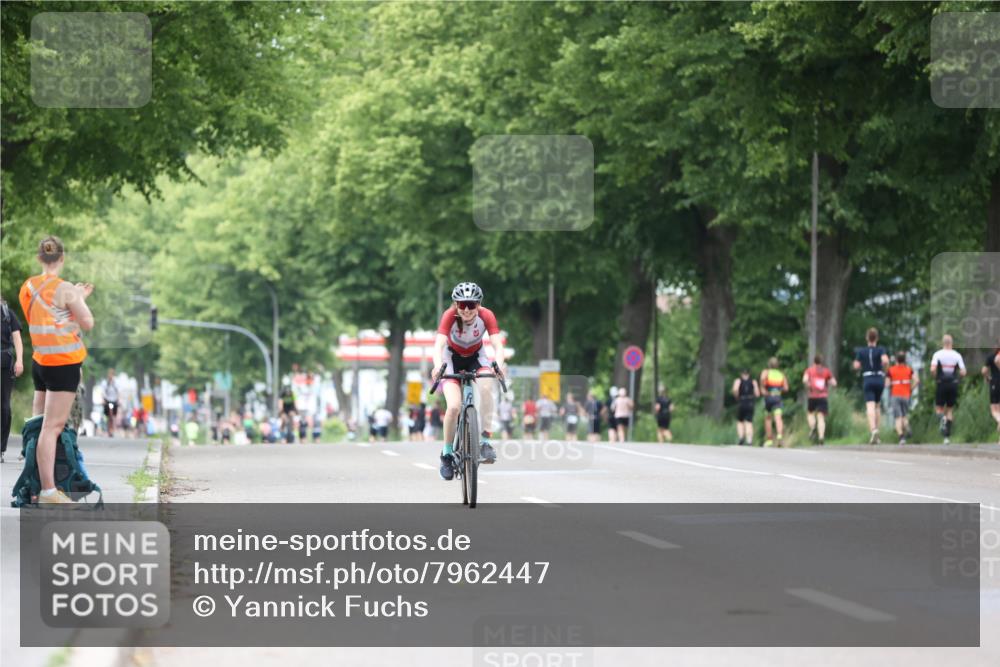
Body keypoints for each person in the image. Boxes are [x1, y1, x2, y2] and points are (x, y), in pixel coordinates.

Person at [18, 236, 94, 503]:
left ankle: (35, 486)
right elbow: (87, 323)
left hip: (40, 361)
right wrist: (79, 297)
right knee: (52, 428)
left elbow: (42, 321)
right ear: (62, 258)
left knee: (38, 426)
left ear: (40, 258)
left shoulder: (27, 286)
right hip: (63, 364)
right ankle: (50, 490)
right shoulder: (66, 290)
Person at [432, 282, 506, 480]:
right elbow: (438, 345)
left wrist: (499, 365)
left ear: (479, 304)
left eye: (471, 305)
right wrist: (437, 366)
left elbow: (497, 345)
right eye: (462, 304)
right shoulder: (449, 316)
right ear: (455, 304)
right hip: (451, 358)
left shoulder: (486, 315)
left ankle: (485, 441)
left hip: (476, 356)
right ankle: (447, 454)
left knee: (487, 385)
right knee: (454, 406)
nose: (466, 309)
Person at [853, 328, 889, 444]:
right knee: (877, 406)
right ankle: (877, 434)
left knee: (870, 406)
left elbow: (856, 365)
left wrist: (858, 366)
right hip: (879, 378)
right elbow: (885, 361)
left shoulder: (862, 351)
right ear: (877, 338)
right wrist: (884, 369)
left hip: (868, 378)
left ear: (867, 338)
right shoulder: (881, 349)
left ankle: (873, 430)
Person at [930, 334, 966, 444]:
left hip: (941, 383)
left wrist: (935, 376)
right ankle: (947, 437)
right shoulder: (957, 355)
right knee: (950, 409)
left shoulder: (938, 354)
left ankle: (942, 418)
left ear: (943, 343)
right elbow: (963, 372)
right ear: (951, 343)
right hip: (953, 384)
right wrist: (958, 377)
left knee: (939, 408)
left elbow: (932, 369)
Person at [1, 298, 25, 463]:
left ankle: (1, 448)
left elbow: (17, 338)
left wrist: (20, 360)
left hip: (4, 363)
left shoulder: (7, 314)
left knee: (3, 407)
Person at [803, 354, 836, 446]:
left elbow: (804, 380)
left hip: (812, 396)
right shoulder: (826, 371)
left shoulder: (809, 370)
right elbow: (834, 383)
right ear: (821, 362)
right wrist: (828, 383)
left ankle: (813, 427)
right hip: (823, 396)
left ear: (814, 361)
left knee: (810, 413)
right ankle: (821, 437)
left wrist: (809, 385)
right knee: (821, 417)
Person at [887, 351, 918, 444]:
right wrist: (911, 389)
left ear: (896, 359)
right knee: (904, 415)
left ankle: (901, 437)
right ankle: (907, 426)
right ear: (905, 360)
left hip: (895, 394)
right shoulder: (909, 369)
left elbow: (888, 383)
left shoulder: (891, 370)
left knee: (897, 417)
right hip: (906, 395)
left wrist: (891, 387)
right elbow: (916, 380)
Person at [759, 357, 788, 447]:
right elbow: (786, 388)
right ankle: (779, 436)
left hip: (769, 397)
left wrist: (763, 388)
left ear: (769, 365)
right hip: (778, 397)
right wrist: (779, 390)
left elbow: (762, 380)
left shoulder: (766, 372)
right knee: (778, 418)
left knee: (768, 418)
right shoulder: (781, 374)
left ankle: (769, 440)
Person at [732, 369, 759, 446]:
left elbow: (735, 389)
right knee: (749, 422)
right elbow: (757, 393)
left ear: (741, 374)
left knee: (740, 421)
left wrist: (737, 397)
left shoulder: (738, 381)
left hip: (742, 401)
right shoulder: (753, 381)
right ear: (749, 374)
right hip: (750, 402)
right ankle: (749, 439)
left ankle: (741, 437)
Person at [983, 338, 1000, 444]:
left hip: (995, 383)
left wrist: (987, 378)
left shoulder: (991, 357)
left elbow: (984, 370)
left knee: (994, 410)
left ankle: (999, 421)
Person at [100, 368, 120, 437]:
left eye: (112, 374)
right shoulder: (105, 383)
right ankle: (108, 428)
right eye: (109, 374)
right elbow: (103, 392)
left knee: (113, 415)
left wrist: (119, 400)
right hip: (107, 400)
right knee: (108, 415)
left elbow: (119, 392)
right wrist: (103, 400)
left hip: (114, 400)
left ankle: (113, 429)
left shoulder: (116, 383)